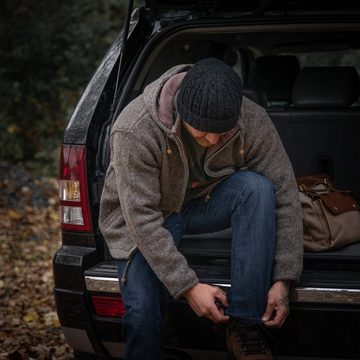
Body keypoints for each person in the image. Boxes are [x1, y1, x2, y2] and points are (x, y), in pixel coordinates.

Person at [99, 58, 303, 360]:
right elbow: (141, 218)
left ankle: (245, 326)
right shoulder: (135, 130)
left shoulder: (252, 119)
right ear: (182, 111)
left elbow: (285, 194)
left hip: (201, 204)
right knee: (142, 312)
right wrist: (189, 287)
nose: (212, 141)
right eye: (203, 133)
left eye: (222, 133)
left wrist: (283, 279)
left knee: (257, 188)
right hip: (143, 219)